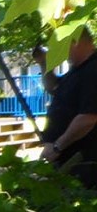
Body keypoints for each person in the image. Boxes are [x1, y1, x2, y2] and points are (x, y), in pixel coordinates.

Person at [32, 27, 97, 187]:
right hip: (69, 159)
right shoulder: (77, 69)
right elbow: (53, 88)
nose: (58, 50)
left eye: (60, 43)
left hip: (85, 162)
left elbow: (88, 118)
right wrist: (44, 63)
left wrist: (56, 147)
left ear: (74, 41)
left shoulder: (93, 69)